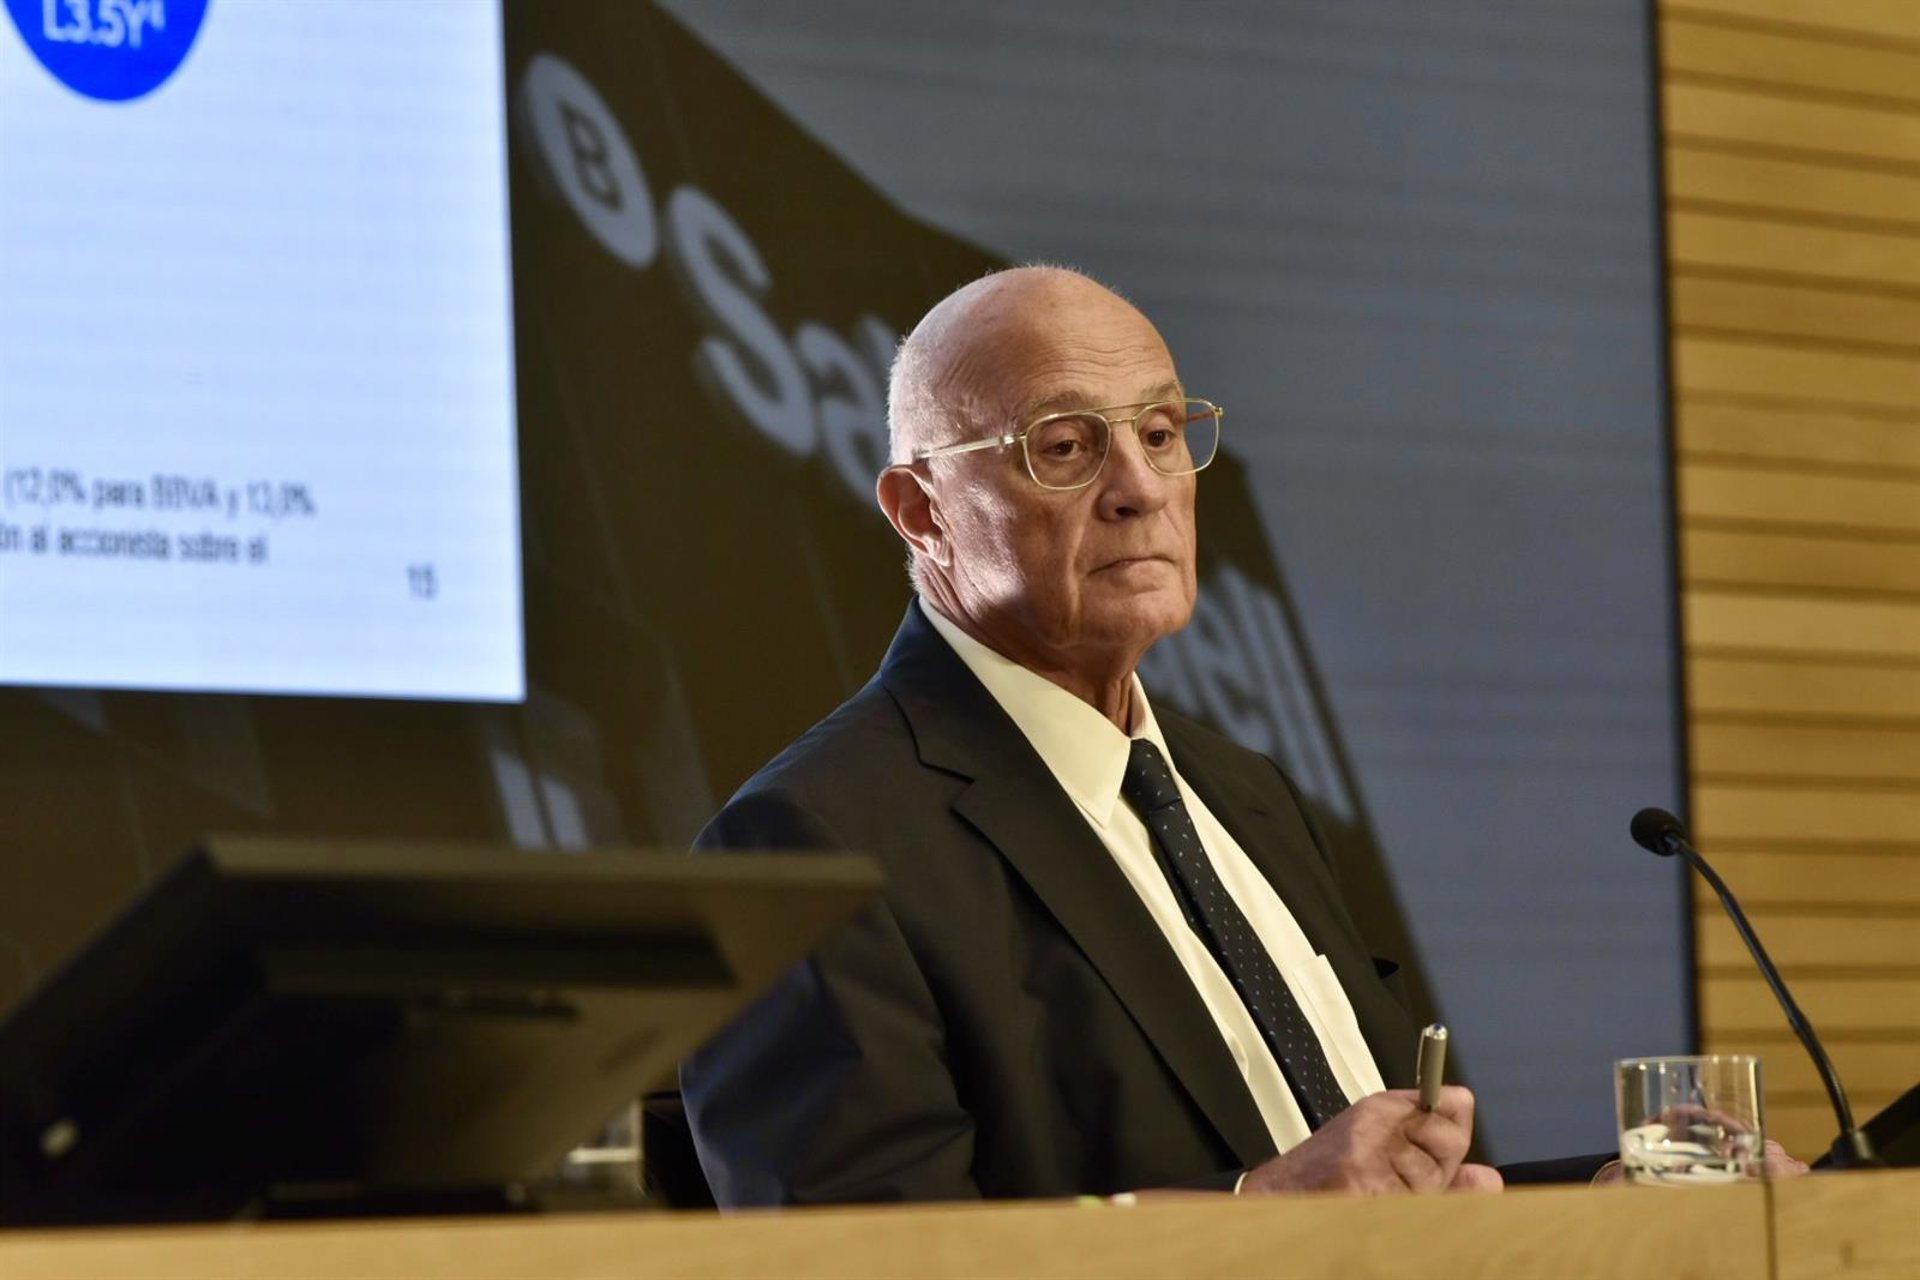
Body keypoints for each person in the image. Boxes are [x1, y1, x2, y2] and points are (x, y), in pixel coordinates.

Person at [679, 265, 1503, 1204]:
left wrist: (1586, 1208)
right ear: (921, 512)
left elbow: (1389, 1188)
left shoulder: (1248, 796)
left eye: (1160, 434)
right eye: (1065, 446)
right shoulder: (811, 846)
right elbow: (862, 1256)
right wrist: (1258, 1220)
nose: (1141, 488)